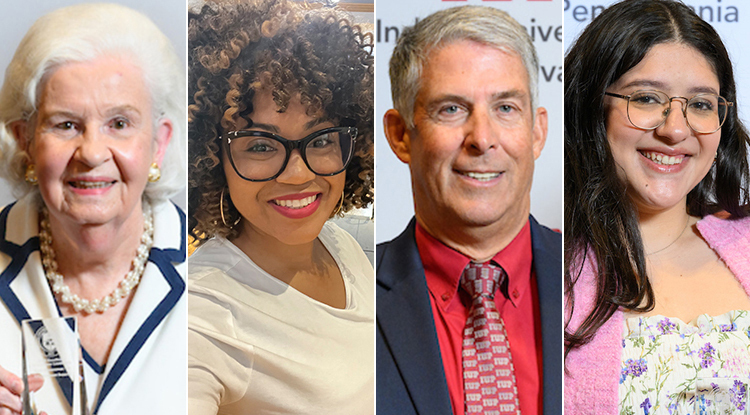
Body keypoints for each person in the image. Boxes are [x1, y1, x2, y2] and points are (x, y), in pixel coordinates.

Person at [187, 0, 374, 414]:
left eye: (322, 139)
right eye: (259, 145)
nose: (296, 174)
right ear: (211, 158)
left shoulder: (337, 243)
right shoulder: (201, 312)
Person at [0, 3, 186, 415]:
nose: (92, 152)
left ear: (159, 141)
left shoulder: (217, 272)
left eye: (119, 123)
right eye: (65, 124)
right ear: (25, 140)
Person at [564, 1, 750, 413]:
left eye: (701, 104)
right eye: (647, 98)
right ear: (591, 106)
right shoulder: (545, 270)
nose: (676, 129)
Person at [377, 5, 562, 415]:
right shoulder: (352, 295)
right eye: (451, 109)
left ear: (537, 131)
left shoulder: (591, 274)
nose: (481, 138)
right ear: (401, 135)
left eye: (506, 108)